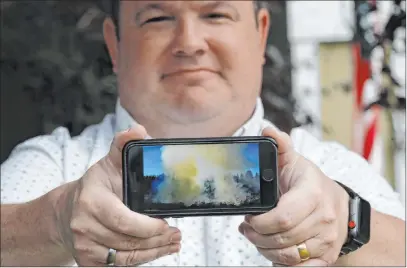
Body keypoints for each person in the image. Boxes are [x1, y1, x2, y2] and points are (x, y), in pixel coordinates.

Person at [1, 1, 405, 266]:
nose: (190, 44)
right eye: (157, 18)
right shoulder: (55, 165)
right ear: (114, 44)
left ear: (261, 34)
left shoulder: (332, 169)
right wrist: (54, 220)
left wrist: (349, 225)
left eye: (216, 14)